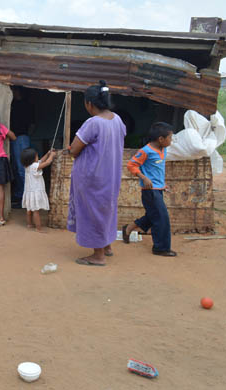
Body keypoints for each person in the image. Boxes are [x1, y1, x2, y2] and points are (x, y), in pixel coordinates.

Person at [67, 80, 126, 266]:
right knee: (106, 209)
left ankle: (98, 255)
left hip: (92, 177)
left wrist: (71, 150)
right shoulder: (117, 119)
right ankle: (107, 246)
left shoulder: (93, 123)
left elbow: (75, 149)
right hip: (111, 175)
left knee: (92, 212)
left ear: (89, 104)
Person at [123, 122, 176, 256]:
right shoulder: (145, 151)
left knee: (153, 215)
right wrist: (143, 177)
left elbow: (156, 171)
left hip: (158, 189)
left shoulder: (163, 150)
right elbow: (131, 165)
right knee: (162, 218)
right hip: (149, 191)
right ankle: (161, 248)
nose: (172, 140)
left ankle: (129, 228)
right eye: (170, 137)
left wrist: (163, 185)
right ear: (161, 139)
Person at [10, 86, 35, 208]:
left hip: (21, 138)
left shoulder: (25, 105)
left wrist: (26, 135)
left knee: (22, 169)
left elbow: (31, 124)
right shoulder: (12, 104)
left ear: (17, 91)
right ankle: (20, 195)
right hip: (13, 138)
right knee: (16, 168)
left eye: (13, 90)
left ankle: (27, 198)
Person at [21, 148, 56, 232]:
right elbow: (47, 163)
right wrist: (52, 156)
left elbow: (41, 161)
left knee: (29, 209)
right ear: (32, 159)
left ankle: (29, 224)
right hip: (35, 191)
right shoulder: (34, 166)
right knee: (36, 211)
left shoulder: (27, 166)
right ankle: (38, 228)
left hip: (29, 192)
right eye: (36, 156)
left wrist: (47, 153)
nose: (38, 157)